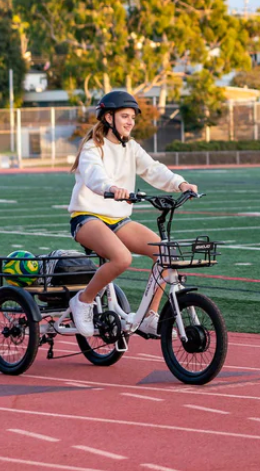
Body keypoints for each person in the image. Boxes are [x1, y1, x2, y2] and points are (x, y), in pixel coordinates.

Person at [67, 90, 198, 339]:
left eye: (133, 117)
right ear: (108, 118)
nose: (130, 122)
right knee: (122, 259)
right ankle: (82, 301)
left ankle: (149, 316)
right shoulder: (92, 148)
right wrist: (110, 188)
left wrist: (181, 183)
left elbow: (153, 169)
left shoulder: (131, 147)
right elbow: (94, 174)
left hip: (118, 220)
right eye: (125, 116)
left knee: (166, 254)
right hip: (87, 217)